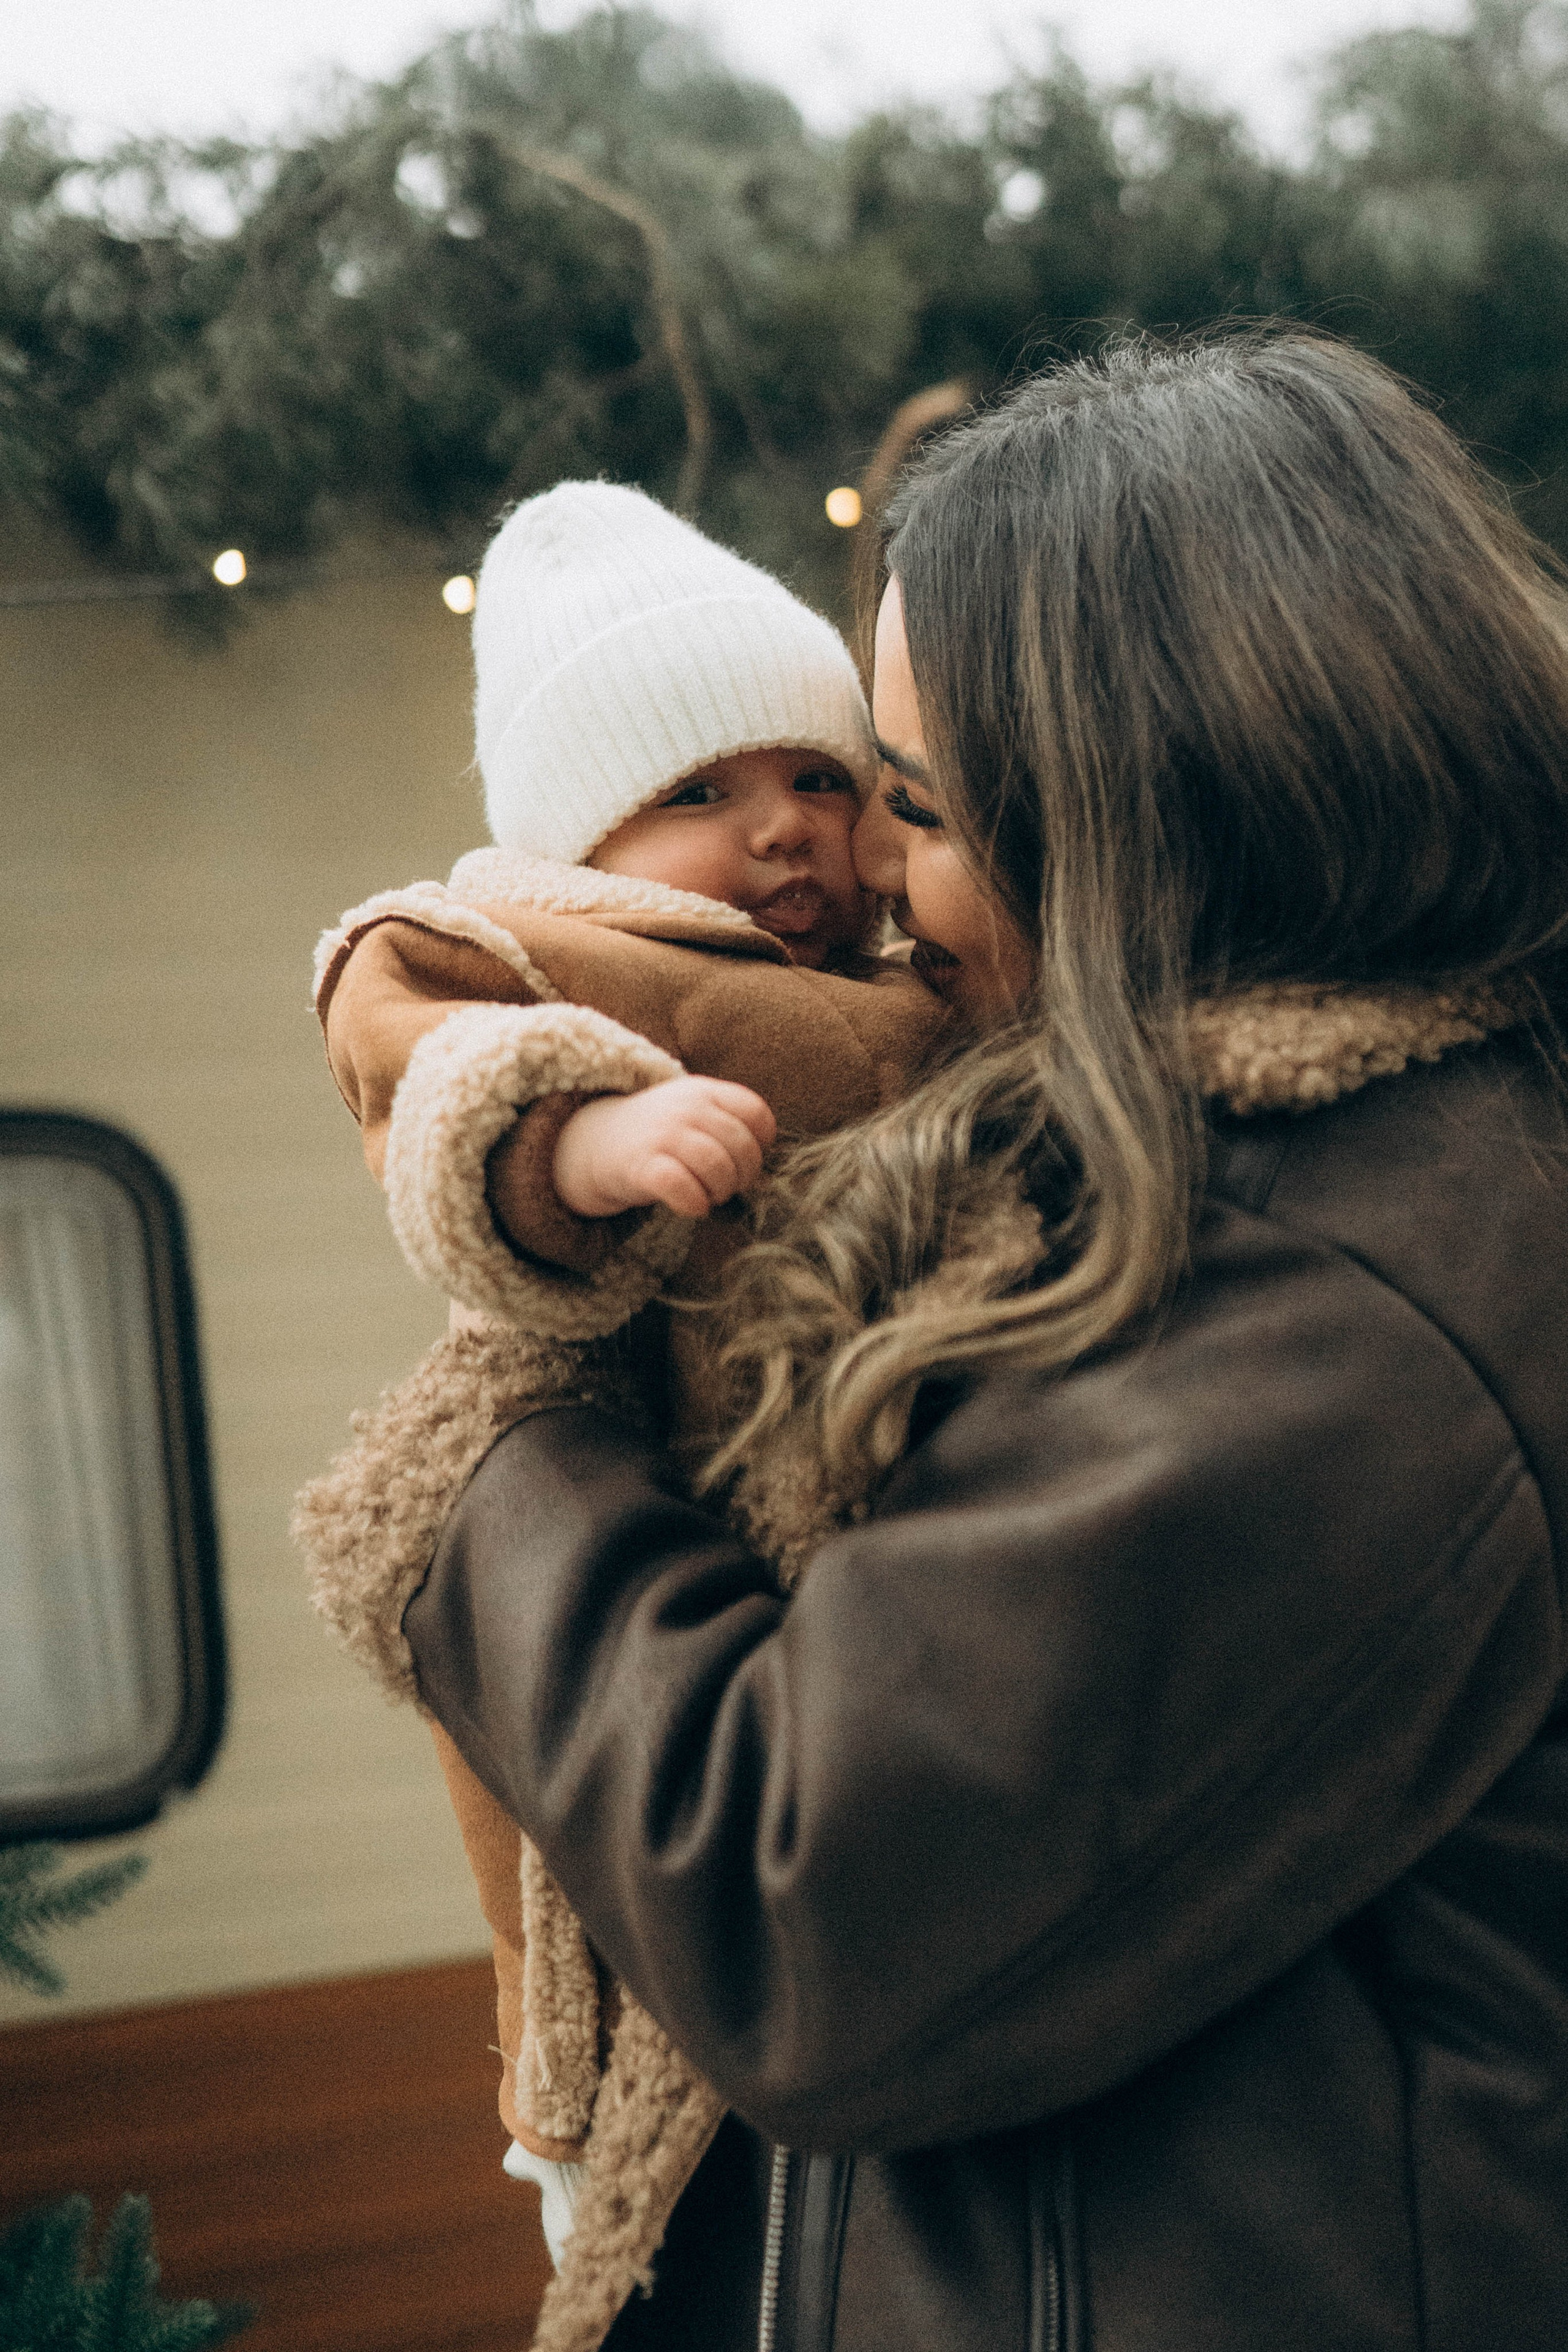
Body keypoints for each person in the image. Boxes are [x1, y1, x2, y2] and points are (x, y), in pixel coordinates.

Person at [363, 330, 1568, 2352]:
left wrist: (497, 1445)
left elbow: (801, 1908)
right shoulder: (1204, 1193)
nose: (886, 907)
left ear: (1149, 804)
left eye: (904, 803)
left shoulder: (1348, 1300)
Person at [295, 481, 946, 2290]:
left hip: (851, 1493)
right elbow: (396, 1038)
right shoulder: (539, 947)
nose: (783, 835)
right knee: (569, 1877)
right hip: (636, 1429)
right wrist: (578, 1136)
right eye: (699, 796)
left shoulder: (909, 977)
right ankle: (562, 2125)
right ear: (584, 831)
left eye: (818, 776)